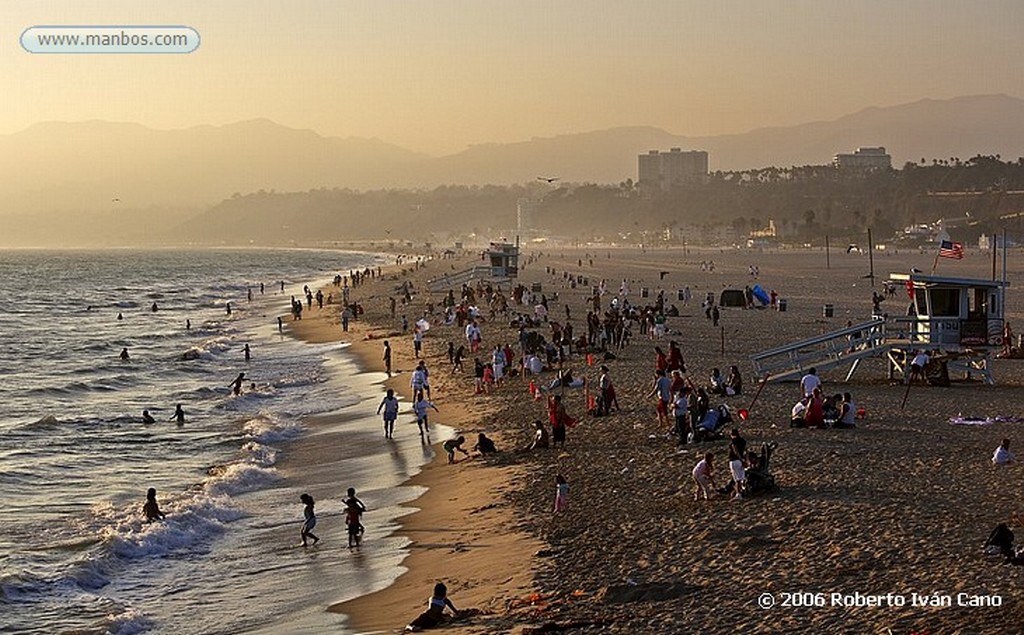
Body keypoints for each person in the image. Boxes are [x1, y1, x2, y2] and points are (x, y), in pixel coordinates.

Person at [727, 429, 747, 499]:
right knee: (742, 477)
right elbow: (744, 451)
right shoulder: (743, 441)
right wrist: (744, 460)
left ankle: (738, 494)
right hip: (740, 460)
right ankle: (742, 491)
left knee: (737, 479)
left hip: (734, 460)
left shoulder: (734, 441)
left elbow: (735, 451)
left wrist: (741, 459)